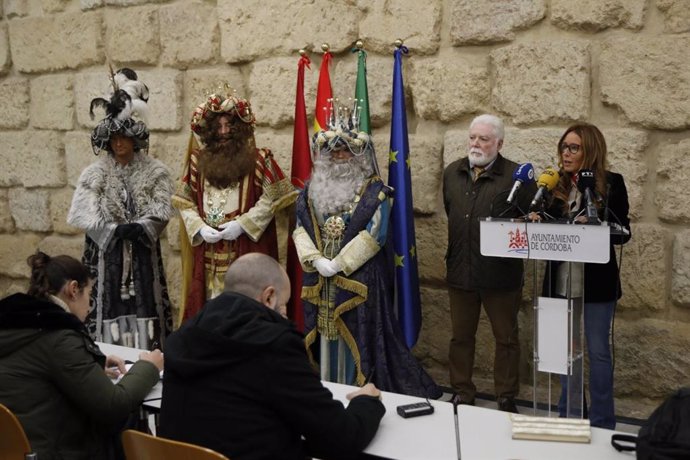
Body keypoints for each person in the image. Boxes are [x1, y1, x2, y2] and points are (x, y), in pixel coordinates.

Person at [158, 253, 385, 460]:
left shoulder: (183, 336)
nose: (285, 315)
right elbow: (340, 438)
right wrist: (367, 401)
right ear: (269, 297)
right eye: (284, 305)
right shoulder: (274, 344)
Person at [292, 112, 441, 399]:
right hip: (319, 278)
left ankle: (356, 389)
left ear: (359, 154)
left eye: (345, 150)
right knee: (323, 332)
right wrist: (316, 260)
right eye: (332, 151)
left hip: (358, 278)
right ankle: (325, 389)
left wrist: (339, 263)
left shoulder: (376, 192)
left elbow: (375, 235)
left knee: (357, 333)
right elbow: (301, 229)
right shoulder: (310, 191)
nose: (338, 156)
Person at [0, 251, 163, 460]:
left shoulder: (18, 323)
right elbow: (113, 405)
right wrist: (149, 366)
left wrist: (92, 363)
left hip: (15, 448)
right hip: (53, 450)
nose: (89, 305)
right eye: (89, 294)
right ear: (74, 289)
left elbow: (38, 370)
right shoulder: (58, 337)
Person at [67, 68, 174, 350]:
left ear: (134, 139)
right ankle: (107, 358)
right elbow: (84, 214)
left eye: (124, 137)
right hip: (106, 257)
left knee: (146, 303)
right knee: (105, 304)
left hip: (141, 253)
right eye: (114, 138)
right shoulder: (95, 173)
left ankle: (150, 358)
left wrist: (142, 227)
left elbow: (162, 209)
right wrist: (113, 230)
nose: (119, 143)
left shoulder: (155, 172)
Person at [172, 89, 297, 324]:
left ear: (240, 128)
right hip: (207, 258)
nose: (223, 132)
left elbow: (276, 198)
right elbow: (184, 201)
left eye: (229, 125)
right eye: (217, 126)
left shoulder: (260, 160)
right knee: (209, 313)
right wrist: (198, 228)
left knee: (246, 312)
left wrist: (243, 224)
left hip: (245, 249)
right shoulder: (197, 161)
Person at [539, 123, 631, 429]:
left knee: (598, 352)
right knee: (568, 354)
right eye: (564, 147)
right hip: (561, 282)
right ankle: (570, 415)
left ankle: (603, 422)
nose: (565, 153)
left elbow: (623, 233)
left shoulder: (612, 184)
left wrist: (595, 224)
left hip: (596, 285)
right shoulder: (554, 186)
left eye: (573, 147)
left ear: (589, 150)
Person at [443, 114, 536, 412]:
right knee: (460, 337)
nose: (476, 144)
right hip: (461, 270)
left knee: (506, 339)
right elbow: (451, 212)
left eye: (483, 139)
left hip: (501, 276)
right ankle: (462, 391)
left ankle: (506, 397)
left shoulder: (515, 176)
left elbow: (529, 220)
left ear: (499, 143)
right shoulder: (452, 173)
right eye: (472, 137)